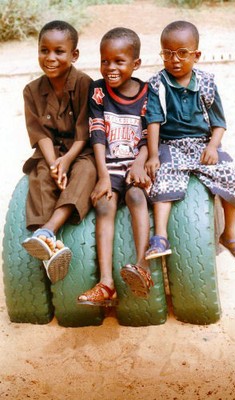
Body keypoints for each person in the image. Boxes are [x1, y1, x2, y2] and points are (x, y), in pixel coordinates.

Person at [144, 20, 235, 263]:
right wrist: (152, 155)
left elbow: (219, 123)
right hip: (170, 144)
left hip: (203, 143)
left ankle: (230, 234)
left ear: (196, 55)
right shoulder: (157, 84)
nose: (175, 60)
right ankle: (160, 237)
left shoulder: (207, 83)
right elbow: (153, 122)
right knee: (163, 178)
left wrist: (213, 146)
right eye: (167, 54)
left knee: (231, 174)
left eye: (182, 53)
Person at [77, 27, 153, 306]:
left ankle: (142, 266)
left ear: (136, 64)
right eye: (104, 60)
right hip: (109, 163)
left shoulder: (148, 93)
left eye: (119, 61)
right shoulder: (97, 90)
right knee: (105, 205)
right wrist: (103, 176)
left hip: (135, 165)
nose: (110, 67)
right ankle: (106, 283)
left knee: (135, 196)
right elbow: (96, 133)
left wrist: (140, 163)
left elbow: (150, 135)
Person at [22, 20, 97, 284]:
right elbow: (39, 133)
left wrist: (67, 161)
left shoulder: (85, 84)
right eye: (44, 50)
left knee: (87, 172)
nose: (50, 57)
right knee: (40, 175)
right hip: (51, 151)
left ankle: (49, 230)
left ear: (74, 55)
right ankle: (49, 247)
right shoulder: (31, 90)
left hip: (81, 150)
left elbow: (84, 131)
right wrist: (55, 163)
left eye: (59, 51)